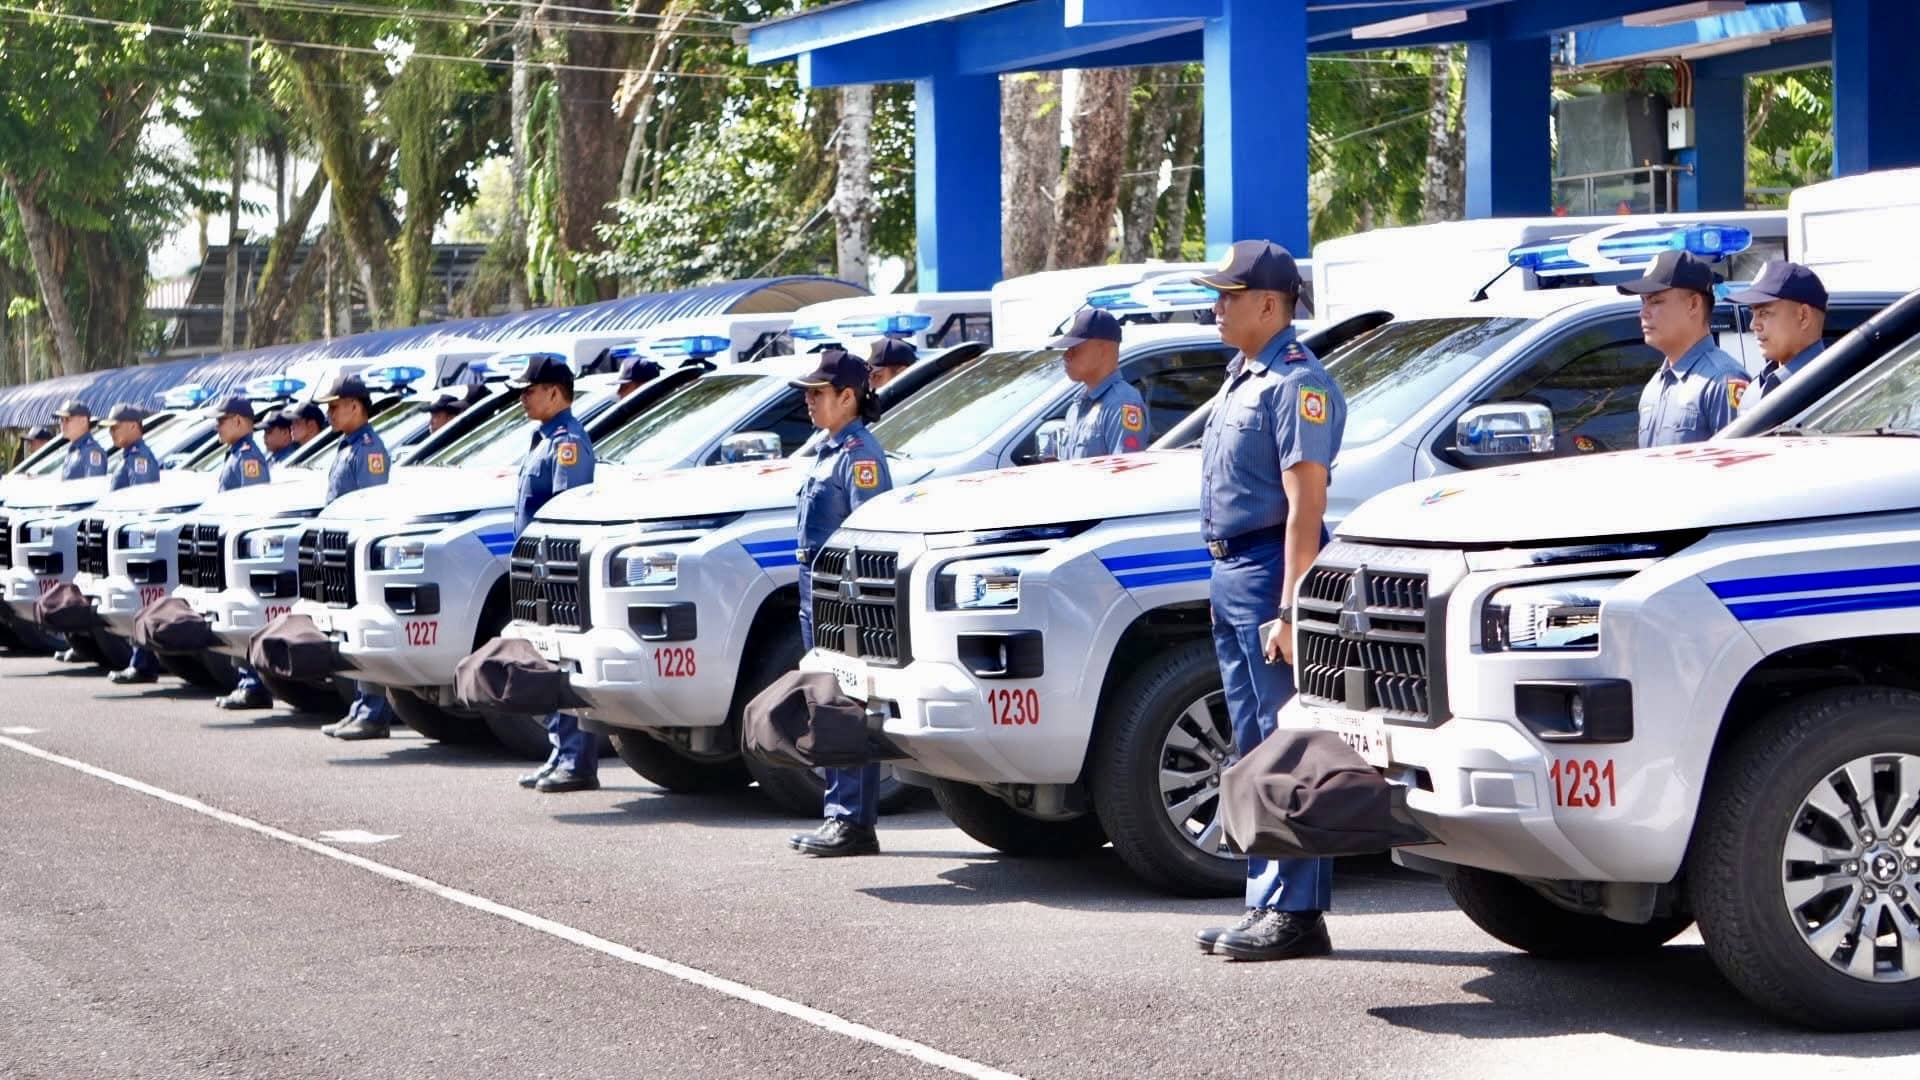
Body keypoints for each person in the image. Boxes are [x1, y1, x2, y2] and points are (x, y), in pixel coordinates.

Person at [1190, 240, 1345, 962]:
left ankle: (1297, 909)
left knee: (1285, 740)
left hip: (1267, 572)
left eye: (1229, 295)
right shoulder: (1242, 378)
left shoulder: (1294, 384)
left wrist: (1290, 608)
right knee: (1249, 743)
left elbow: (1303, 508)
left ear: (1268, 304)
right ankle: (1266, 901)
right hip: (1232, 573)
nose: (1217, 307)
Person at [786, 348, 893, 858]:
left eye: (817, 392)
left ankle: (851, 820)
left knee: (845, 705)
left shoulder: (859, 456)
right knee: (825, 703)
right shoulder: (828, 449)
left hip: (843, 602)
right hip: (818, 594)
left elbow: (869, 543)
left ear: (847, 396)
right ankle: (840, 814)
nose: (808, 401)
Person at [508, 355, 601, 793]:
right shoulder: (542, 438)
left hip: (556, 571)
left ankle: (577, 759)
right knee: (547, 660)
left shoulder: (568, 442)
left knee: (563, 663)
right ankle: (560, 751)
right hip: (535, 568)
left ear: (554, 392)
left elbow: (567, 514)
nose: (523, 398)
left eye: (530, 390)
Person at [312, 375, 397, 741]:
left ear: (355, 407)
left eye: (335, 406)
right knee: (351, 629)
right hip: (340, 551)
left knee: (364, 628)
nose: (329, 414)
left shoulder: (368, 450)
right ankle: (363, 704)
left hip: (358, 553)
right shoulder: (348, 446)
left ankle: (375, 710)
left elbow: (371, 507)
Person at [1620, 250, 1748, 447]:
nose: (1643, 313)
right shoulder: (1654, 387)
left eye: (1655, 301)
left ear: (1693, 304)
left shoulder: (1723, 380)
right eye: (1643, 301)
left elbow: (1740, 467)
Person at [209, 397, 278, 710]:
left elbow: (253, 507)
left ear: (238, 421)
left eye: (221, 421)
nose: (217, 427)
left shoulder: (248, 458)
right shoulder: (236, 454)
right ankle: (246, 681)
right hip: (230, 547)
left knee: (246, 615)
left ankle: (254, 684)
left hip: (243, 550)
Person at [103, 404, 166, 685]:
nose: (112, 432)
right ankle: (139, 661)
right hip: (126, 541)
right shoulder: (128, 456)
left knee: (141, 602)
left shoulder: (139, 459)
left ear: (133, 426)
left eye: (116, 426)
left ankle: (143, 663)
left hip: (137, 541)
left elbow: (139, 504)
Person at [1728, 260, 1828, 415]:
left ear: (1803, 316)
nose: (1753, 325)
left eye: (1764, 313)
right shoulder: (1757, 387)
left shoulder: (1836, 390)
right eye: (1752, 314)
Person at [1051, 307, 1148, 458]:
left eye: (1075, 348)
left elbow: (1124, 474)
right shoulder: (1077, 405)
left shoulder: (1121, 404)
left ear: (1104, 350)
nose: (1066, 355)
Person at [103, 403, 160, 492]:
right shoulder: (132, 456)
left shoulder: (138, 457)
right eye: (110, 428)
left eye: (114, 427)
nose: (110, 432)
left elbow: (139, 497)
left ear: (133, 426)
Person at [54, 400, 108, 480]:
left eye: (67, 419)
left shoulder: (91, 452)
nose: (63, 424)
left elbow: (94, 486)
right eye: (61, 420)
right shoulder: (74, 449)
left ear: (83, 421)